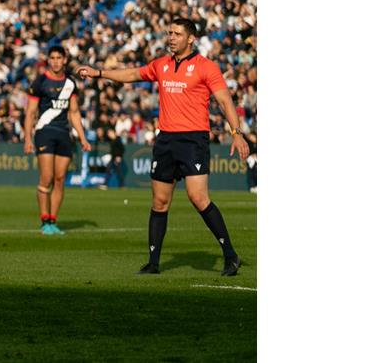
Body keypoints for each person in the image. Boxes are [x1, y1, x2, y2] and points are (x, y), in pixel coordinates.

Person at [77, 17, 249, 277]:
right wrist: (99, 72)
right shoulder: (162, 64)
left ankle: (230, 255)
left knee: (198, 198)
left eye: (177, 34)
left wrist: (236, 133)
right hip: (166, 139)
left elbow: (225, 101)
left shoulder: (206, 67)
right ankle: (153, 263)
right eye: (169, 33)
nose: (171, 37)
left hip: (193, 139)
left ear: (190, 38)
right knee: (159, 202)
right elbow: (133, 75)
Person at [23, 46, 93, 235]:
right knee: (46, 178)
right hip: (44, 132)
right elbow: (30, 112)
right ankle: (44, 220)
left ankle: (53, 220)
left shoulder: (70, 83)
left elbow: (74, 112)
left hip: (64, 134)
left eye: (58, 58)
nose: (55, 61)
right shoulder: (40, 81)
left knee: (60, 179)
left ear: (64, 60)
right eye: (52, 58)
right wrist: (27, 138)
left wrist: (83, 138)